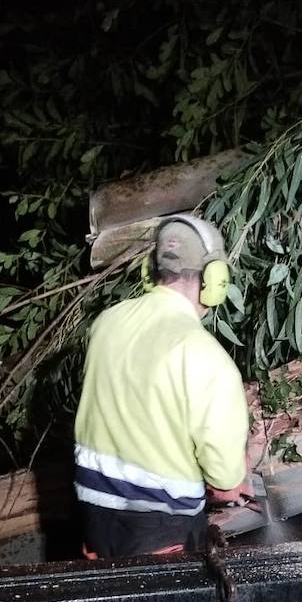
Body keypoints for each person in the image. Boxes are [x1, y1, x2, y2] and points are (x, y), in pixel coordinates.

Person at [73, 213, 251, 559]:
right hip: (160, 535)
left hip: (94, 518)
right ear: (215, 279)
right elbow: (225, 482)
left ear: (149, 270)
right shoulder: (205, 357)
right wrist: (235, 474)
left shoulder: (106, 322)